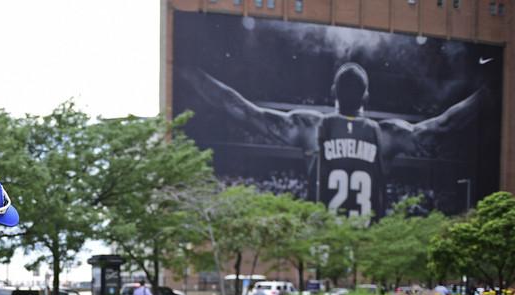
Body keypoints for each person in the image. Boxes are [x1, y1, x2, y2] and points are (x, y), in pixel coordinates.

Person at [183, 63, 485, 219]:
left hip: (323, 236)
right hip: (371, 240)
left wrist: (191, 71)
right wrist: (492, 90)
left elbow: (240, 108)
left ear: (332, 92)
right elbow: (445, 124)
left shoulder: (310, 127)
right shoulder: (389, 135)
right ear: (367, 96)